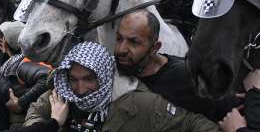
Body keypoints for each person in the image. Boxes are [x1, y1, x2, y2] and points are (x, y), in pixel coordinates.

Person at [22, 41, 220, 132]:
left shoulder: (141, 103)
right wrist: (52, 124)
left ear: (105, 76)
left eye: (89, 79)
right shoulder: (62, 93)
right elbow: (35, 113)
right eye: (74, 79)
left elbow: (195, 125)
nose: (80, 89)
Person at [114, 9, 242, 122]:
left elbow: (231, 111)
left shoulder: (184, 78)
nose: (121, 49)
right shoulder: (113, 68)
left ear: (155, 48)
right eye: (119, 39)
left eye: (133, 42)